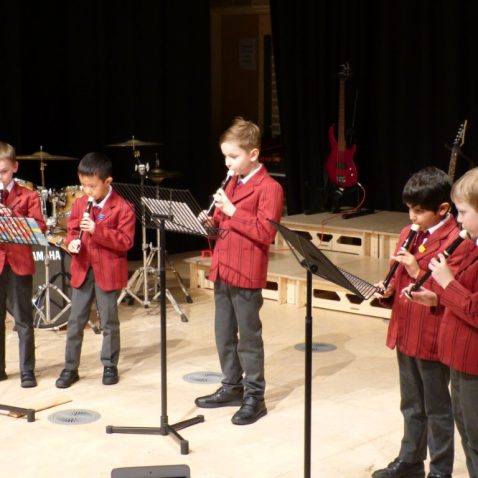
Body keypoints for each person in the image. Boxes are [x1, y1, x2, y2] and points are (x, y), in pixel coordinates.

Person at [372, 167, 469, 478]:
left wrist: (415, 271)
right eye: (409, 209)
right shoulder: (408, 233)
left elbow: (450, 292)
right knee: (411, 403)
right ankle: (410, 460)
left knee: (437, 409)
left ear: (443, 209)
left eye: (419, 211)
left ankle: (440, 470)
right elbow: (398, 281)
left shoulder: (457, 239)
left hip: (433, 336)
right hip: (405, 330)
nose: (412, 217)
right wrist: (387, 289)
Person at [194, 117, 283, 425]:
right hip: (223, 267)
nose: (228, 163)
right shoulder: (232, 182)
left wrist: (232, 211)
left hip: (246, 272)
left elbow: (264, 232)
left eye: (234, 156)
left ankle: (254, 397)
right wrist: (211, 222)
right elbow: (222, 225)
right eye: (225, 157)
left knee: (248, 337)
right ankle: (232, 385)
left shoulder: (270, 188)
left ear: (254, 154)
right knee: (223, 334)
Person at [405, 167, 478, 478]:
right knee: (468, 435)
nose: (459, 221)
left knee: (475, 438)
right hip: (459, 356)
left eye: (463, 212)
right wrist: (435, 298)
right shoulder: (473, 245)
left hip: (473, 359)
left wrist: (446, 284)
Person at [55, 152, 135, 388]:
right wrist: (71, 242)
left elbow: (125, 241)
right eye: (83, 185)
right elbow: (71, 230)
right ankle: (71, 368)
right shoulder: (80, 203)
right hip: (83, 268)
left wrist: (96, 230)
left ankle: (109, 364)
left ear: (107, 182)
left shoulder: (123, 207)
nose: (86, 191)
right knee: (75, 321)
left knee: (109, 321)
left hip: (107, 272)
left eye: (92, 186)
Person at [0, 142, 46, 387]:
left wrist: (13, 217)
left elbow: (40, 227)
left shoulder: (29, 195)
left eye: (3, 172)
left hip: (18, 262)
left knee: (23, 319)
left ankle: (27, 370)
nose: (0, 177)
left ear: (14, 167)